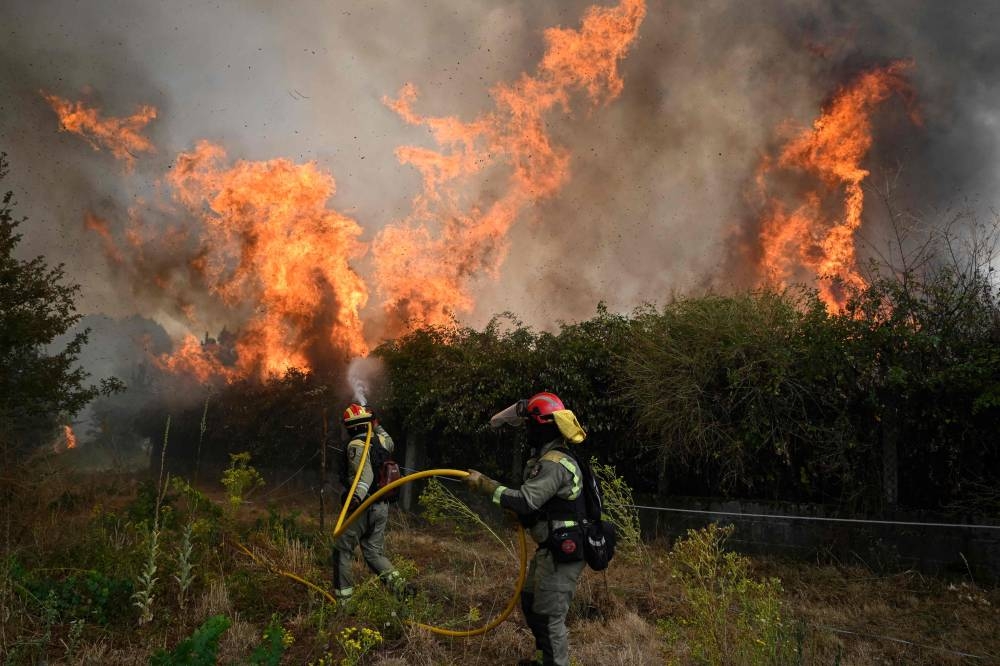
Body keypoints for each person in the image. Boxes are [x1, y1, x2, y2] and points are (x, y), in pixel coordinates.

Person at [466, 391, 588, 666]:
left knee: (549, 617)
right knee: (532, 601)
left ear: (541, 427)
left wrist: (486, 485)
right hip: (550, 550)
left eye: (530, 426)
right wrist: (526, 519)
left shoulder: (554, 463)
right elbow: (540, 507)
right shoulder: (546, 459)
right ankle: (544, 659)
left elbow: (525, 501)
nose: (526, 433)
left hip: (563, 553)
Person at [331, 403, 409, 602]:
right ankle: (401, 588)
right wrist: (377, 423)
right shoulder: (381, 441)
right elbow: (391, 441)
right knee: (373, 552)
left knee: (342, 548)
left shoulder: (356, 446)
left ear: (352, 427)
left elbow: (365, 476)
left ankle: (344, 602)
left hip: (365, 505)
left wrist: (356, 499)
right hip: (382, 507)